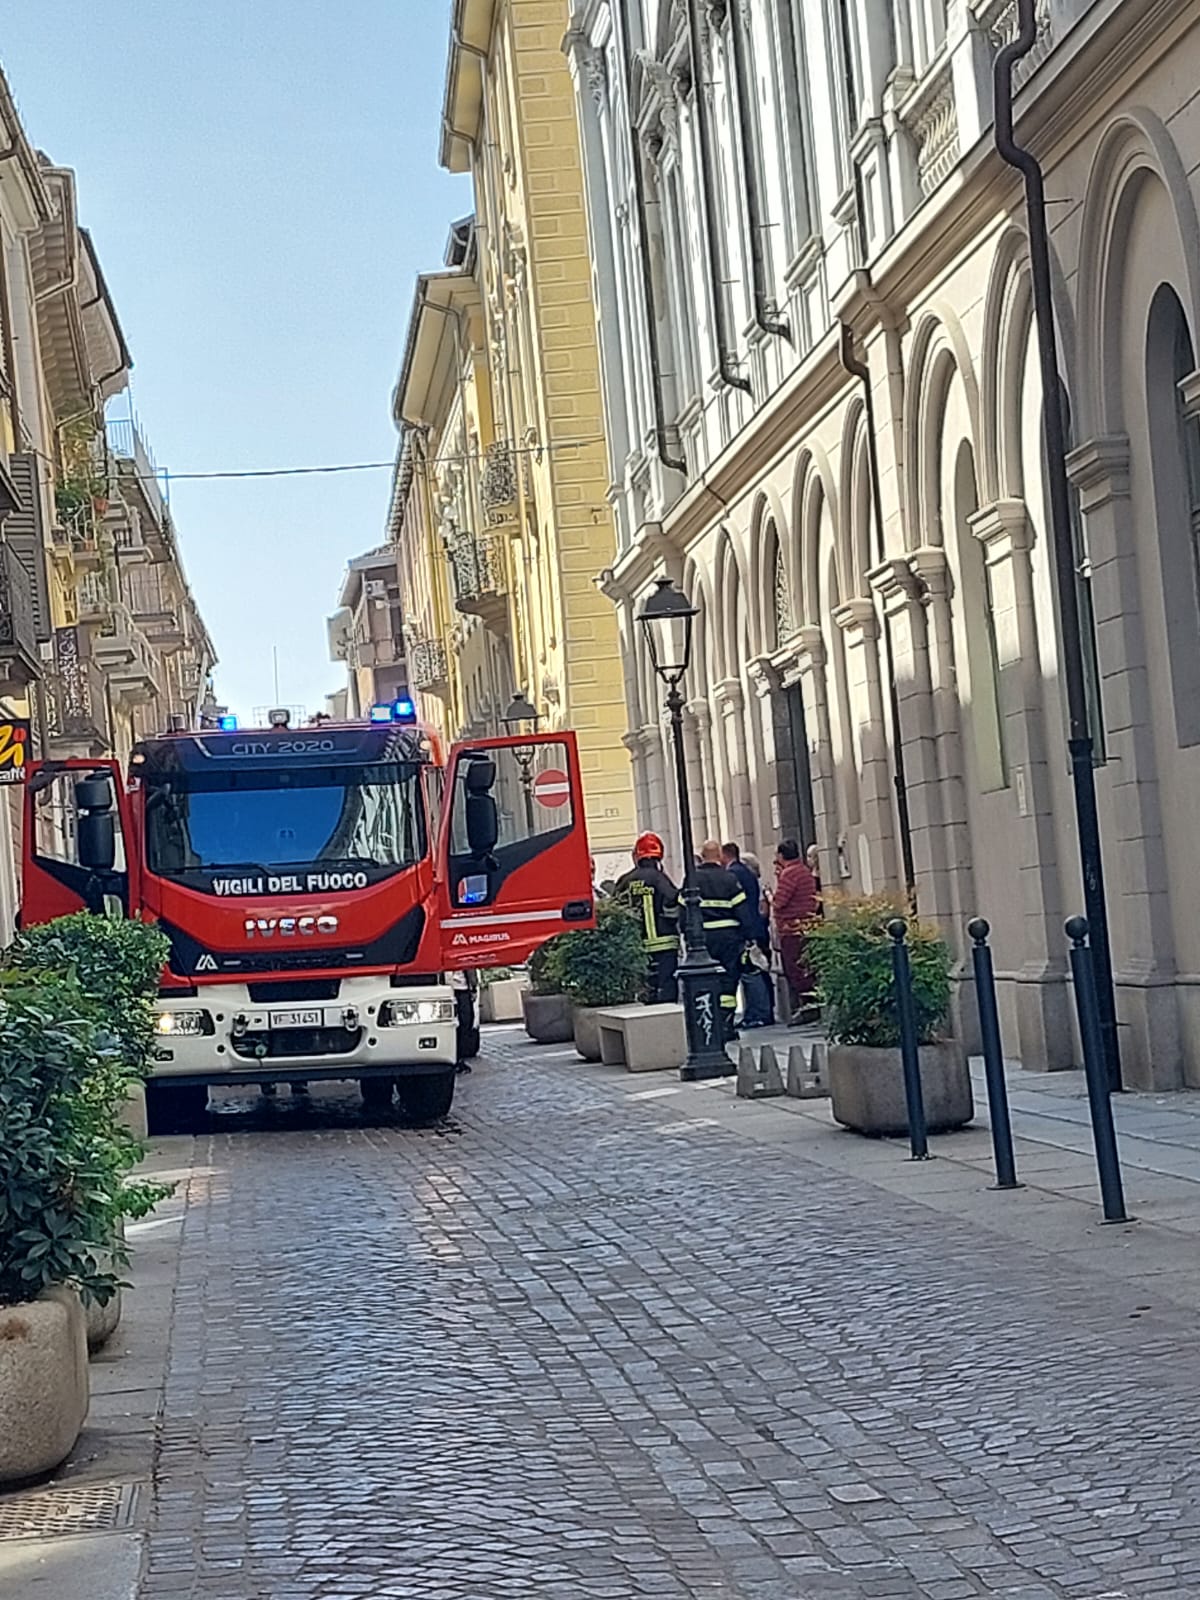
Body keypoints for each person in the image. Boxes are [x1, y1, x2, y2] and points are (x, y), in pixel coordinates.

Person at [697, 839, 757, 1041]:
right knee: (729, 983)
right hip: (730, 939)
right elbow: (743, 911)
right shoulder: (729, 879)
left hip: (703, 941)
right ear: (720, 856)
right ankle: (726, 1025)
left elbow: (683, 911)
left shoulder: (692, 879)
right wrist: (749, 937)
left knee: (704, 981)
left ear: (703, 856)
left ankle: (709, 1025)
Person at [613, 833, 680, 1004]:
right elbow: (674, 902)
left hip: (636, 945)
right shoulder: (660, 879)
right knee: (666, 984)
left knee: (644, 987)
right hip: (664, 943)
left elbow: (614, 911)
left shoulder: (625, 881)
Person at [721, 842, 773, 1028]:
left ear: (725, 855)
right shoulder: (746, 872)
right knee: (755, 971)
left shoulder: (734, 874)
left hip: (746, 931)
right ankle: (759, 1012)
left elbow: (739, 905)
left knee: (752, 973)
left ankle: (758, 1014)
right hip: (755, 927)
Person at [772, 838, 820, 1023]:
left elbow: (779, 902)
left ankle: (807, 1007)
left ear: (782, 855)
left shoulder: (789, 874)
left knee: (795, 968)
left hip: (791, 928)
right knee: (805, 966)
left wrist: (769, 895)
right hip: (806, 925)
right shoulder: (805, 872)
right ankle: (810, 1004)